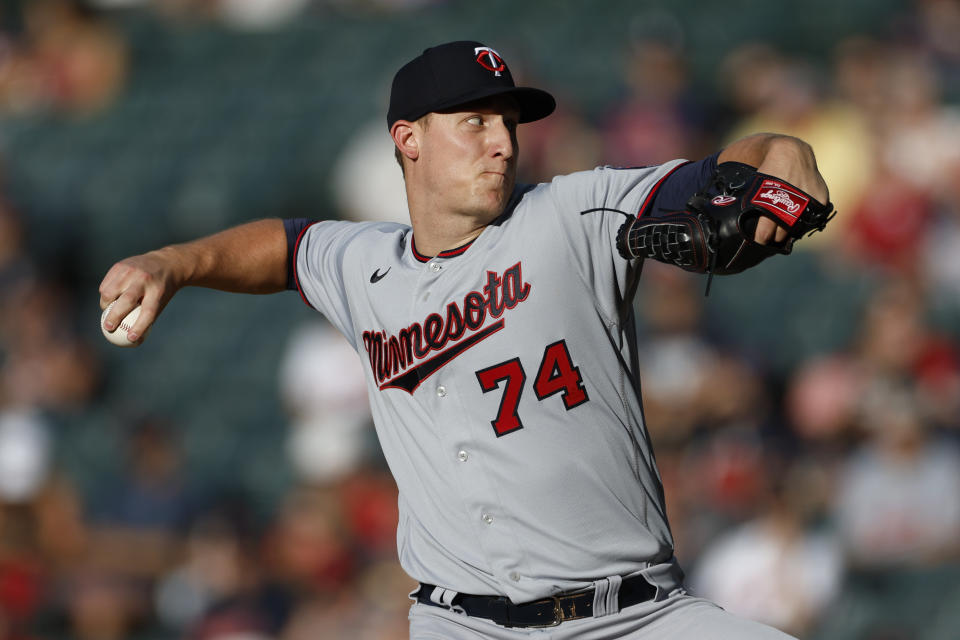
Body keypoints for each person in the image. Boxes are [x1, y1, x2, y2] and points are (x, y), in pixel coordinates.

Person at [99, 41, 830, 639]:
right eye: (475, 122)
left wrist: (785, 150)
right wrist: (172, 263)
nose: (502, 144)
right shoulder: (364, 264)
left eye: (508, 123)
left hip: (634, 618)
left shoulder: (571, 214)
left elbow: (742, 162)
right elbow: (286, 246)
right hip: (462, 626)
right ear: (408, 139)